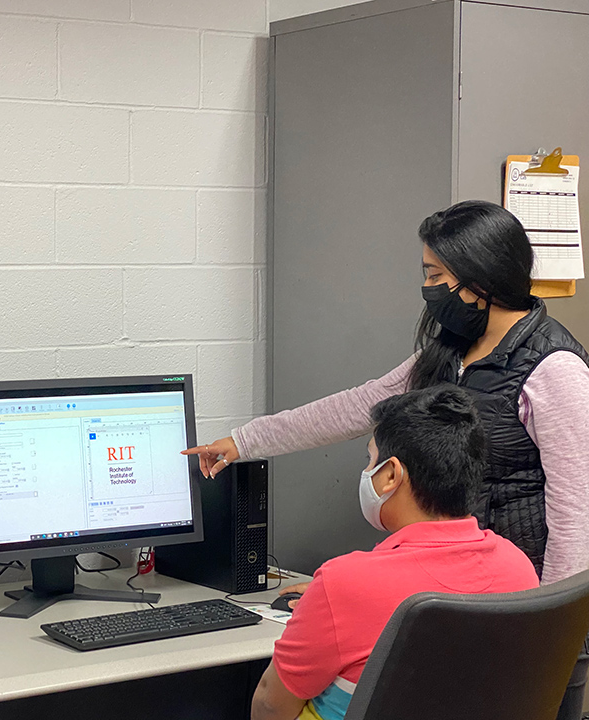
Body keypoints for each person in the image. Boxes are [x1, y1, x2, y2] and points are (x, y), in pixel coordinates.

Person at [185, 200, 589, 717]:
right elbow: (359, 406)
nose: (428, 288)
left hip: (525, 613)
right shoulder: (451, 351)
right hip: (456, 607)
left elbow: (575, 517)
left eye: (435, 274)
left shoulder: (553, 369)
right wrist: (245, 442)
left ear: (479, 278)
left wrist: (550, 633)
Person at [250, 386, 539, 720]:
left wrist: (327, 603)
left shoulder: (343, 583)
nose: (367, 470)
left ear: (390, 475)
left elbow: (270, 704)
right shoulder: (518, 567)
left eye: (370, 459)